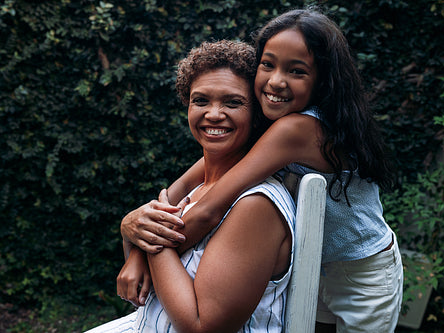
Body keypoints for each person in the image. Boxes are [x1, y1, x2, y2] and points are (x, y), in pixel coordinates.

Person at [122, 8, 404, 333]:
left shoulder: (297, 130)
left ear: (323, 79)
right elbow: (187, 182)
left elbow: (208, 212)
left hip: (362, 273)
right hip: (314, 263)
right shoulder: (276, 122)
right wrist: (140, 224)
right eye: (267, 64)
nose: (276, 81)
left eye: (296, 71)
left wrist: (143, 252)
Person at [86, 40, 296, 333]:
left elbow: (203, 328)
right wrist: (131, 228)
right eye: (201, 101)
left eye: (233, 102)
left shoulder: (256, 204)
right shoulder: (194, 189)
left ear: (258, 112)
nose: (213, 114)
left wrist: (149, 238)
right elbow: (149, 287)